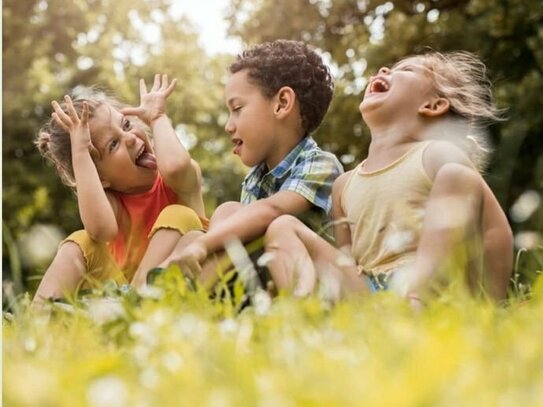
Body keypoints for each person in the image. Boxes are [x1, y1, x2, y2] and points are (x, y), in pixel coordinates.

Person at [263, 51, 514, 304]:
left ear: (433, 105)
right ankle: (304, 314)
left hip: (433, 292)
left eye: (405, 70)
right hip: (370, 296)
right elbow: (347, 262)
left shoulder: (437, 155)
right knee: (282, 227)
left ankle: (418, 304)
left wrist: (491, 301)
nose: (383, 69)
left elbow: (494, 231)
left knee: (456, 174)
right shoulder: (344, 186)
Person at [132, 40, 343, 290]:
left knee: (224, 221)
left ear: (282, 103)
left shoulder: (320, 165)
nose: (228, 125)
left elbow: (272, 210)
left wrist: (204, 245)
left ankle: (170, 293)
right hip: (261, 283)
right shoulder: (255, 179)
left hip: (318, 285)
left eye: (238, 109)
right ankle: (166, 291)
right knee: (221, 215)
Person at [32, 74, 208, 303]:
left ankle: (136, 304)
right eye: (113, 144)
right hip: (122, 299)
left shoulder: (179, 182)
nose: (130, 138)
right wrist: (81, 153)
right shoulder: (112, 205)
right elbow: (99, 231)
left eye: (126, 124)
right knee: (80, 241)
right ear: (101, 177)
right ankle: (38, 320)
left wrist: (158, 116)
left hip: (184, 283)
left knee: (179, 214)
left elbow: (175, 166)